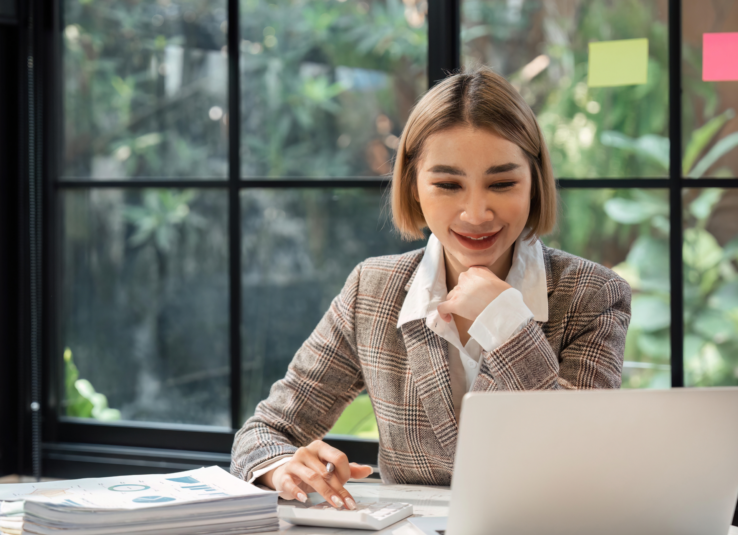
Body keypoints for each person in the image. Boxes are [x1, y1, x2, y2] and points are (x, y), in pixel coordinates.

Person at [231, 65, 631, 511]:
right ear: (414, 186)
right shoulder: (373, 290)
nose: (476, 213)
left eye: (502, 183)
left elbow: (584, 456)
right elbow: (264, 433)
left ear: (534, 184)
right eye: (446, 184)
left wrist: (506, 323)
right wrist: (284, 467)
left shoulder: (593, 294)